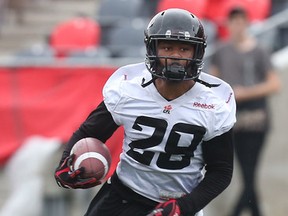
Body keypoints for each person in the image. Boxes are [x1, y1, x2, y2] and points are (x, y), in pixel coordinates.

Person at [54, 8, 236, 216]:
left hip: (178, 204)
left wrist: (184, 207)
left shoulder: (213, 105)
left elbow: (221, 172)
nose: (175, 56)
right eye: (167, 47)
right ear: (153, 49)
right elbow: (89, 133)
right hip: (123, 196)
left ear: (197, 53)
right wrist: (67, 162)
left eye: (184, 49)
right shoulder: (129, 90)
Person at [209, 7, 281, 216]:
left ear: (247, 23)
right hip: (233, 120)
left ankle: (238, 211)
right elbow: (213, 84)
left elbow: (274, 84)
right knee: (244, 171)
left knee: (250, 170)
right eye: (234, 22)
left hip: (256, 119)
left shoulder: (260, 51)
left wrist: (245, 92)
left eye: (241, 22)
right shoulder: (222, 51)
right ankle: (252, 210)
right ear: (228, 24)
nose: (237, 26)